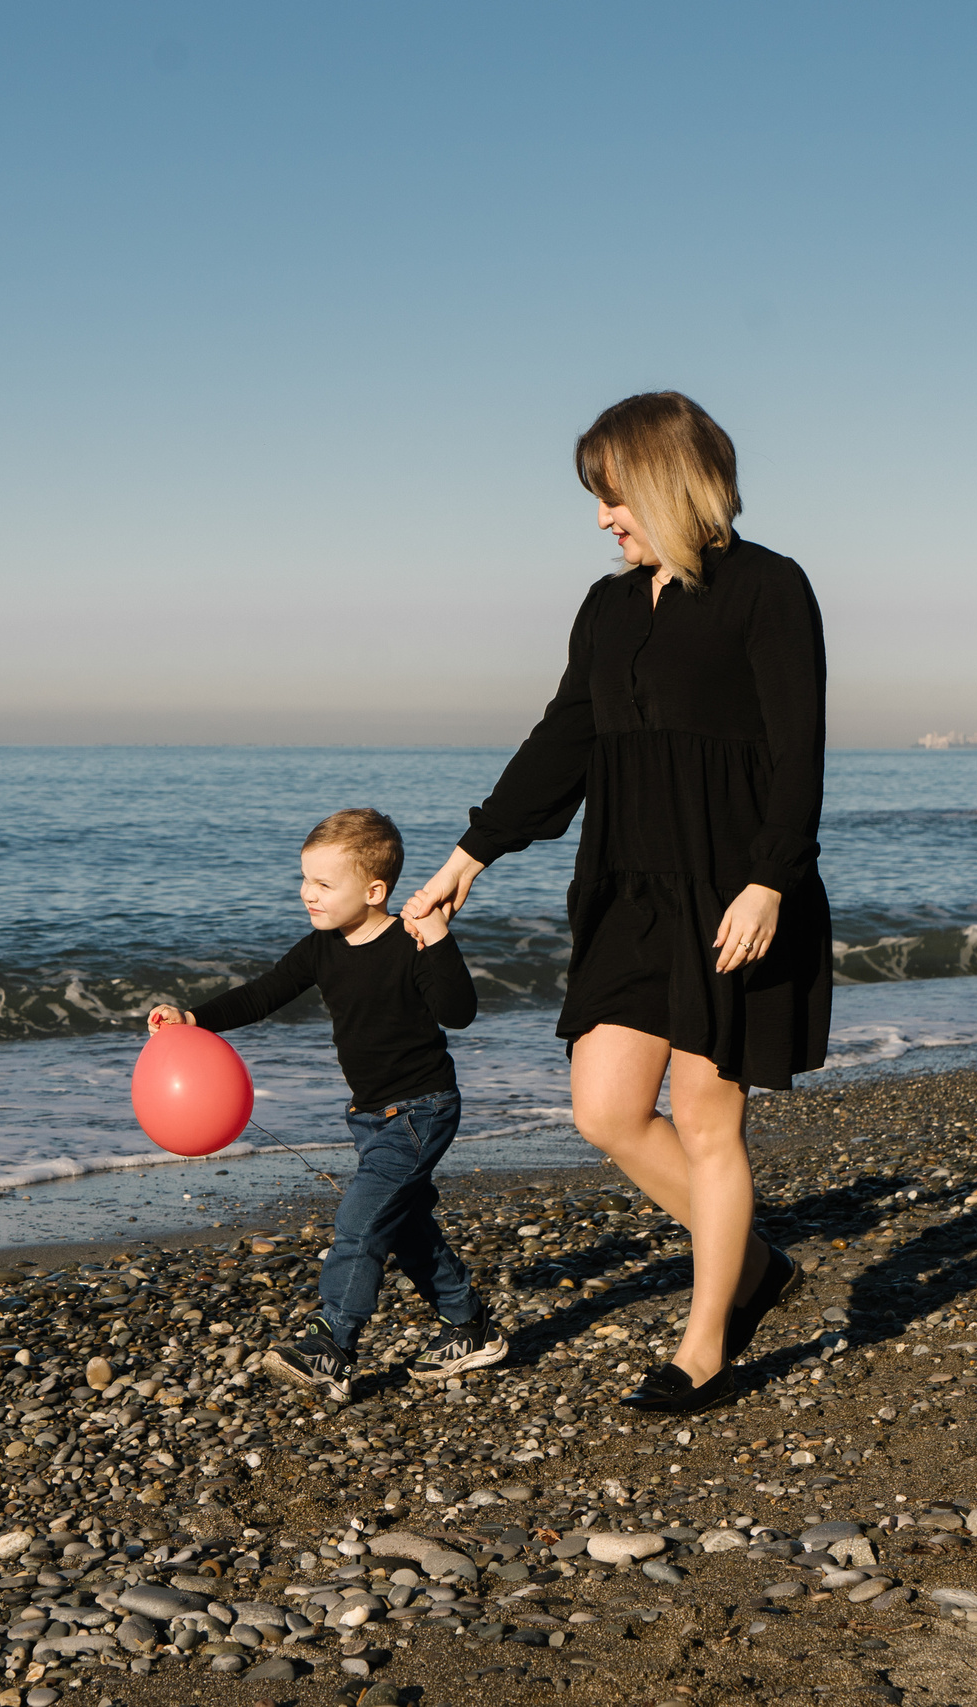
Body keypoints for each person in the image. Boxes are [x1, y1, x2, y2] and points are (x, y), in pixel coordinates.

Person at [403, 391, 831, 1415]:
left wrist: (771, 877)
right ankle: (754, 1267)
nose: (602, 517)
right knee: (602, 1109)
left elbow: (798, 749)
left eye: (612, 495)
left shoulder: (768, 589)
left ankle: (703, 1346)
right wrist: (472, 854)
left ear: (667, 481)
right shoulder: (604, 609)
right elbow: (564, 742)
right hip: (626, 889)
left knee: (705, 1122)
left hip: (732, 890)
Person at [149, 807, 505, 1405]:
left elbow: (459, 1011)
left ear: (373, 891)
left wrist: (440, 938)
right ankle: (469, 1324)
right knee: (404, 1226)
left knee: (359, 1224)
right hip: (369, 1116)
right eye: (305, 880)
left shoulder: (411, 943)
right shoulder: (320, 949)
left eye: (322, 884)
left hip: (421, 1110)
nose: (306, 893)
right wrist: (194, 1019)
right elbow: (262, 994)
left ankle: (332, 1346)